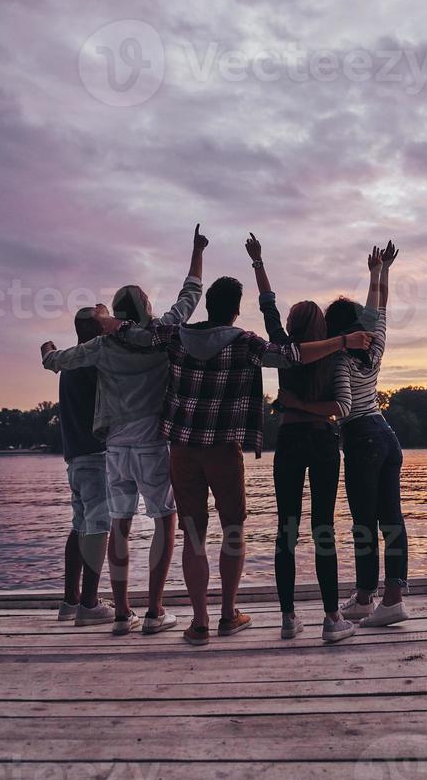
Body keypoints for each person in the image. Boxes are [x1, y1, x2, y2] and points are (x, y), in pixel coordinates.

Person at [101, 237, 373, 648]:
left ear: (208, 306)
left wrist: (111, 323)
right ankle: (230, 614)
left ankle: (199, 624)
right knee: (235, 531)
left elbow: (140, 334)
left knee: (193, 535)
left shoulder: (176, 336)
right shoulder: (245, 343)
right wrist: (341, 342)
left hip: (183, 452)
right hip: (225, 451)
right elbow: (293, 355)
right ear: (234, 310)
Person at [41, 225, 205, 636]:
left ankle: (119, 613)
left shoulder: (101, 347)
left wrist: (46, 350)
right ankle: (154, 611)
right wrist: (197, 251)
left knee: (119, 524)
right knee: (165, 521)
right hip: (152, 441)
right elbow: (190, 295)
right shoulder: (162, 334)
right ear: (144, 308)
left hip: (114, 448)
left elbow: (56, 361)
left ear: (116, 311)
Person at [245, 233, 356, 644]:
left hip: (290, 442)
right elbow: (339, 408)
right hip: (324, 444)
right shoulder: (335, 355)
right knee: (323, 529)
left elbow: (267, 304)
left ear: (292, 327)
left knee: (286, 529)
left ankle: (289, 618)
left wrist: (258, 261)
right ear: (322, 326)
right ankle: (331, 619)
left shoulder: (283, 348)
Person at [328, 241, 409, 626]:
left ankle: (364, 597)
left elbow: (343, 407)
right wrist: (381, 271)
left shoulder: (339, 359)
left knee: (364, 522)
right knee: (391, 518)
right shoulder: (375, 346)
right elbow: (380, 306)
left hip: (361, 437)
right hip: (388, 435)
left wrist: (309, 411)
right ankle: (392, 597)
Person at [54, 307, 113, 627]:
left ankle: (70, 600)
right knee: (99, 527)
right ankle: (89, 605)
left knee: (80, 526)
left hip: (75, 458)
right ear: (95, 327)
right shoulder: (94, 360)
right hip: (96, 457)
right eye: (105, 320)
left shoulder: (69, 362)